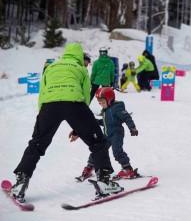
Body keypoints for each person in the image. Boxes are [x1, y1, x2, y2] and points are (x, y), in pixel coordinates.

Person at [10, 43, 122, 203]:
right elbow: (85, 97)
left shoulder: (51, 67)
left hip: (49, 106)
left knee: (36, 144)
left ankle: (21, 182)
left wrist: (42, 117)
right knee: (98, 142)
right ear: (79, 56)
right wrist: (81, 126)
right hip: (74, 104)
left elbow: (42, 93)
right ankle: (104, 181)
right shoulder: (80, 68)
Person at [71, 87, 139, 181]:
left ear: (110, 100)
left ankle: (127, 169)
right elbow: (105, 122)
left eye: (102, 102)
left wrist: (132, 128)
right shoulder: (105, 110)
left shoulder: (117, 108)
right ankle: (90, 167)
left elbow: (127, 117)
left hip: (116, 134)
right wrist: (95, 122)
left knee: (117, 152)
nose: (101, 105)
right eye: (99, 103)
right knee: (98, 150)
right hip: (106, 135)